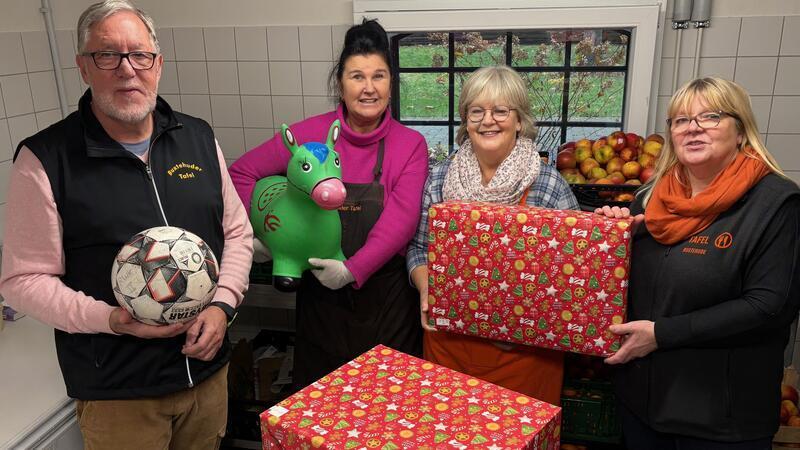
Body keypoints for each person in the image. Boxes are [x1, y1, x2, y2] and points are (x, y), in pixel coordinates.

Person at [0, 1, 253, 448]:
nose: (126, 69)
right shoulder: (45, 159)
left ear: (158, 64)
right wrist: (112, 319)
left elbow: (236, 233)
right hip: (118, 391)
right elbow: (23, 280)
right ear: (83, 67)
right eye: (107, 55)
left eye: (140, 55)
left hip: (207, 376)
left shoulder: (197, 136)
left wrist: (222, 306)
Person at [597, 77, 800, 449]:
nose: (693, 127)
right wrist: (609, 240)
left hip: (719, 418)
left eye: (710, 116)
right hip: (641, 407)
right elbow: (622, 286)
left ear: (740, 131)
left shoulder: (776, 203)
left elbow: (770, 307)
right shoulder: (650, 198)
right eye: (680, 120)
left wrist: (661, 334)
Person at [228, 19, 428, 387]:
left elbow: (402, 219)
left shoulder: (410, 144)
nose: (369, 88)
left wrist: (352, 270)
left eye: (379, 76)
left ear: (391, 82)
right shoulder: (306, 135)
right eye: (357, 76)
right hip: (321, 304)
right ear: (340, 83)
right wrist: (258, 234)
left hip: (387, 303)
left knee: (390, 415)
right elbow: (240, 173)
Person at [406, 65, 579, 405]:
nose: (488, 120)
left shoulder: (547, 185)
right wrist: (426, 287)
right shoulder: (440, 178)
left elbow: (572, 268)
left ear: (519, 120)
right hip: (449, 342)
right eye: (477, 111)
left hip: (524, 354)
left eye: (501, 111)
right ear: (466, 121)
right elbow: (418, 247)